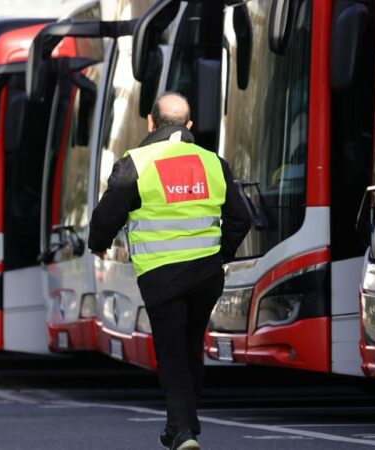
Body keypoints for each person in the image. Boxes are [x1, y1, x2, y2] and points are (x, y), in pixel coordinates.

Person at [88, 92, 250, 450]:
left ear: (150, 122)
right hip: (206, 275)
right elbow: (241, 218)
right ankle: (180, 425)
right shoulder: (213, 162)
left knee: (172, 350)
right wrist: (219, 254)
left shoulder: (137, 163)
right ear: (189, 126)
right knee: (191, 347)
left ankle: (183, 432)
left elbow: (109, 212)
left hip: (162, 276)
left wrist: (98, 242)